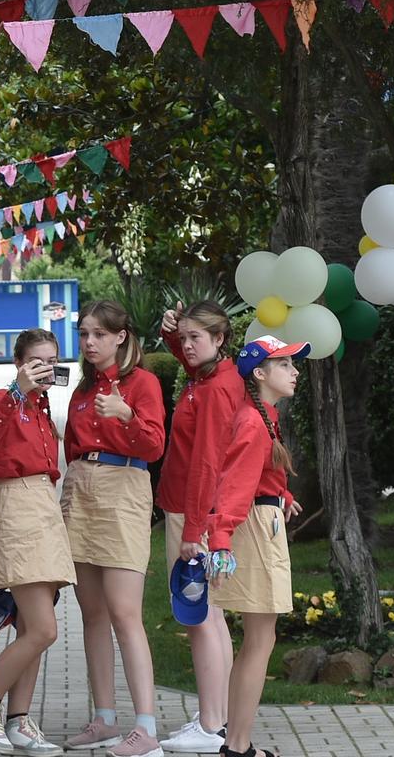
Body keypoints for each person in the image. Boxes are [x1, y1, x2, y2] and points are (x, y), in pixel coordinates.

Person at [59, 300, 166, 757]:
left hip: (123, 486)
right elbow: (72, 444)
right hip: (81, 488)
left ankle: (146, 727)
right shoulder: (82, 388)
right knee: (92, 613)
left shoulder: (143, 383)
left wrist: (126, 414)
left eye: (99, 334)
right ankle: (104, 718)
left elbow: (155, 446)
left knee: (124, 612)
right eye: (84, 333)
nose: (89, 342)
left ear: (121, 336)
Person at [0, 329, 70, 757]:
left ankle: (19, 720)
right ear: (19, 363)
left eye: (52, 362)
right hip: (17, 504)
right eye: (36, 362)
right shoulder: (2, 399)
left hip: (44, 505)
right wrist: (16, 390)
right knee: (44, 629)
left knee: (30, 626)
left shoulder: (42, 407)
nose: (45, 370)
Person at [207, 337, 307, 757]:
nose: (295, 372)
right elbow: (233, 484)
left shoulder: (263, 417)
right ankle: (237, 746)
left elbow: (258, 473)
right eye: (285, 364)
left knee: (257, 641)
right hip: (253, 531)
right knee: (260, 641)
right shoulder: (253, 420)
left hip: (260, 523)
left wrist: (280, 494)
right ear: (260, 373)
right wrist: (221, 541)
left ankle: (235, 742)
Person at [156, 301, 246, 754]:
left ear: (220, 339)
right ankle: (220, 718)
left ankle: (211, 726)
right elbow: (190, 357)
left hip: (194, 514)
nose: (187, 346)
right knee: (211, 616)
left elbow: (207, 463)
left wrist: (193, 530)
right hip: (194, 512)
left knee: (199, 615)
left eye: (196, 338)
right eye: (184, 338)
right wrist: (172, 335)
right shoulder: (210, 377)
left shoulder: (214, 389)